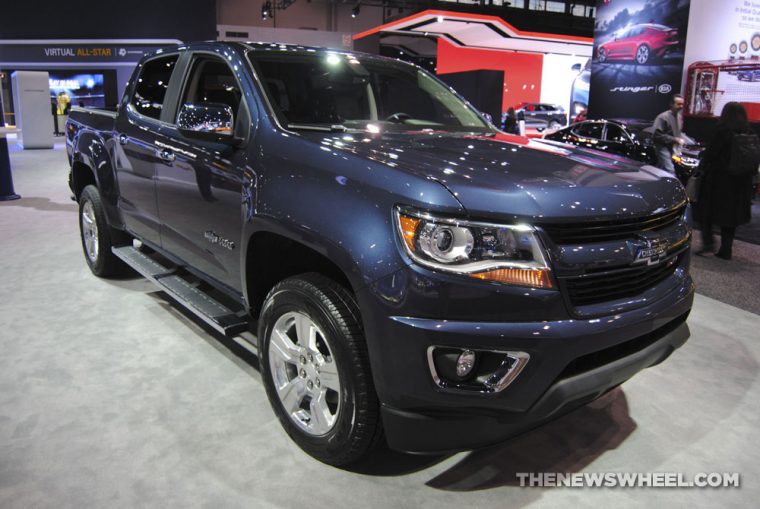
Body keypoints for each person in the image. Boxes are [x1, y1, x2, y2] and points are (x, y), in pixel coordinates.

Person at [696, 102, 757, 260]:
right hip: (741, 182)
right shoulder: (748, 132)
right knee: (730, 217)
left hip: (719, 181)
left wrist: (701, 164)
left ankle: (708, 244)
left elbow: (711, 154)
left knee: (706, 212)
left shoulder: (722, 131)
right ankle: (726, 250)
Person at [653, 94, 686, 173]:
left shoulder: (679, 117)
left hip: (673, 148)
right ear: (671, 104)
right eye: (678, 104)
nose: (681, 106)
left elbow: (678, 132)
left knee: (661, 169)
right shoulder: (662, 117)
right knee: (669, 170)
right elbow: (656, 135)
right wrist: (675, 139)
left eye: (682, 104)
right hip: (662, 147)